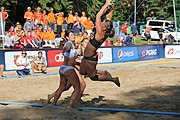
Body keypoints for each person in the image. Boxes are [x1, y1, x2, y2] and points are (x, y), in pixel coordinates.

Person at [80, 0, 120, 87]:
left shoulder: (100, 33)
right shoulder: (105, 28)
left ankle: (113, 79)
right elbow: (109, 17)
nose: (101, 22)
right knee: (82, 72)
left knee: (93, 77)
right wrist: (112, 6)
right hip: (87, 56)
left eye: (102, 23)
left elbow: (98, 16)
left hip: (91, 57)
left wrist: (106, 4)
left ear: (105, 27)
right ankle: (103, 72)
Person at [48, 31, 86, 109]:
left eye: (73, 34)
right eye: (71, 35)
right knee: (77, 88)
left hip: (62, 68)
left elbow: (65, 53)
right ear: (67, 37)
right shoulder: (68, 44)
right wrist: (67, 49)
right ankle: (69, 105)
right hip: (69, 69)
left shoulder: (72, 45)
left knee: (61, 87)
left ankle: (54, 103)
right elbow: (67, 48)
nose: (73, 36)